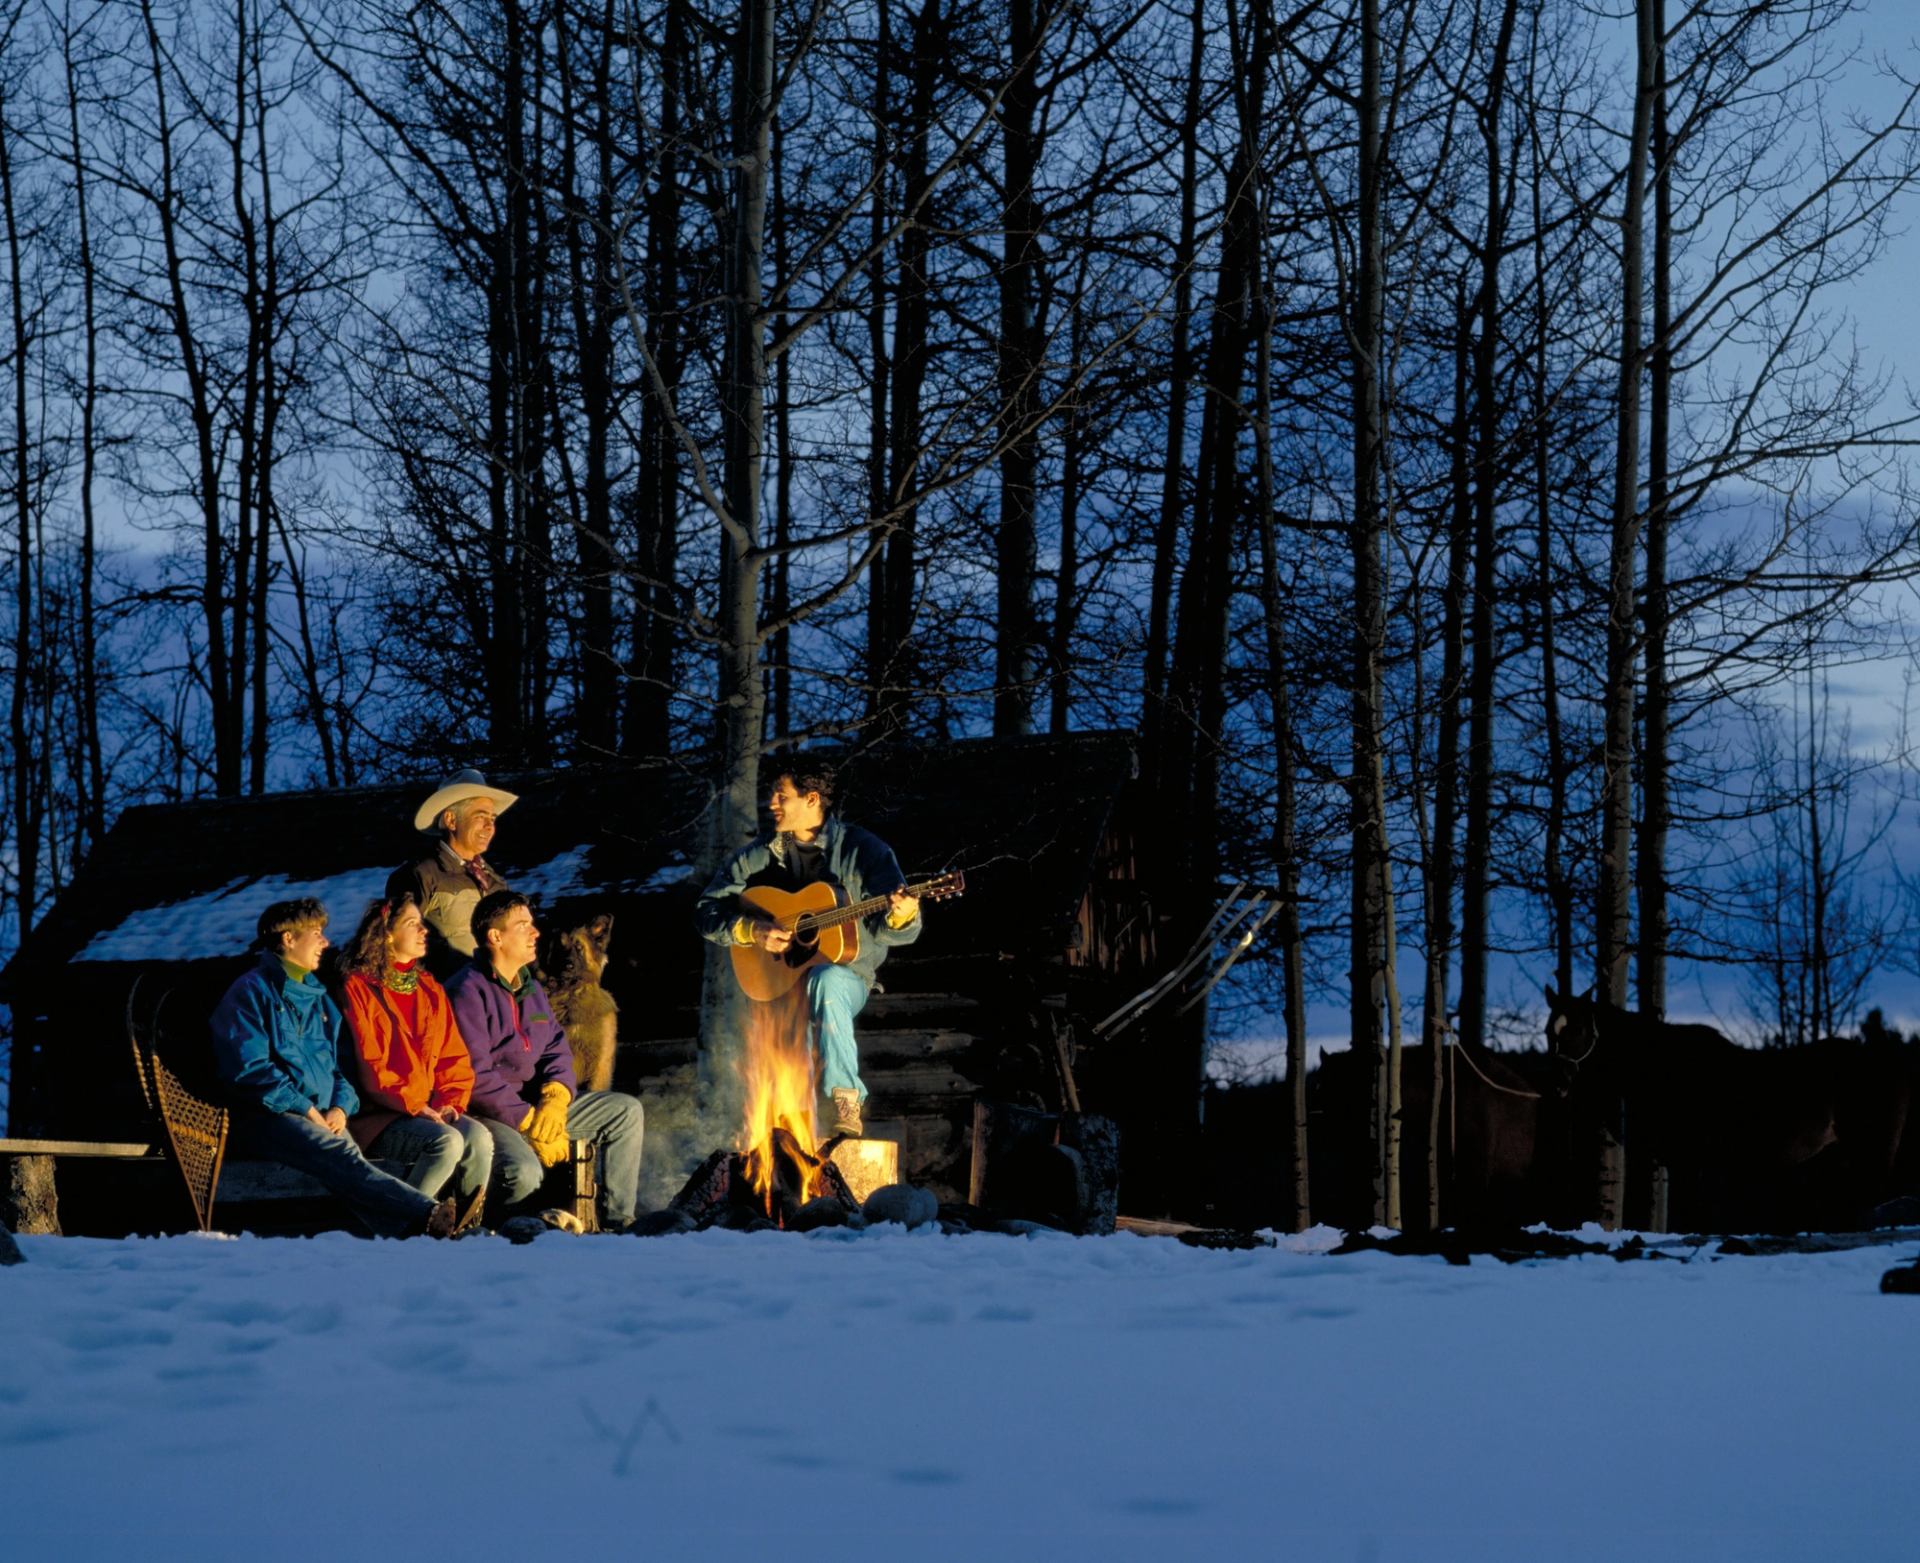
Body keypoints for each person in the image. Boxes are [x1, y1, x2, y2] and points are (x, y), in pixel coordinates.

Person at [694, 759, 920, 1137]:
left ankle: (846, 1099)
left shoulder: (864, 850)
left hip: (847, 977)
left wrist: (903, 914)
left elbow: (892, 932)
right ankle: (788, 1125)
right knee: (779, 1026)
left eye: (781, 796)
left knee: (825, 979)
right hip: (778, 979)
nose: (771, 803)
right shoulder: (758, 855)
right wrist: (751, 930)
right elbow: (707, 910)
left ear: (812, 799)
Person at [209, 899, 454, 1238]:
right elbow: (249, 1070)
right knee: (342, 1157)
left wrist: (340, 1106)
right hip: (270, 1117)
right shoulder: (250, 993)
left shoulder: (319, 998)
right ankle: (427, 1214)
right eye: (316, 933)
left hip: (322, 1116)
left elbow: (339, 1068)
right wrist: (306, 1108)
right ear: (288, 939)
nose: (325, 942)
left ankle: (401, 1235)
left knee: (348, 1161)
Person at [445, 891, 646, 1231]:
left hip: (537, 1106)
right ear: (496, 937)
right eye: (523, 925)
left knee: (625, 1112)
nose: (535, 932)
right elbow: (474, 1075)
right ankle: (506, 1232)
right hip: (489, 1114)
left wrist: (555, 1097)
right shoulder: (467, 991)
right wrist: (526, 1120)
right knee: (524, 1173)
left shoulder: (531, 989)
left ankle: (617, 1222)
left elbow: (556, 1049)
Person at [336, 894, 493, 1226]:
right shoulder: (358, 987)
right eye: (412, 923)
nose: (424, 930)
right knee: (447, 1142)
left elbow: (453, 1057)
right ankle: (405, 1231)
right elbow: (372, 1067)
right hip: (379, 1114)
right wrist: (415, 1106)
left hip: (428, 1110)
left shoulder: (429, 988)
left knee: (478, 1138)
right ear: (387, 934)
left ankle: (464, 1231)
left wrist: (450, 1102)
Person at [387, 769, 518, 978]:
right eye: (480, 816)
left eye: (492, 818)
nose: (489, 826)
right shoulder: (420, 875)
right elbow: (397, 951)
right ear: (451, 820)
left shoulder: (496, 883)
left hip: (497, 994)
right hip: (446, 994)